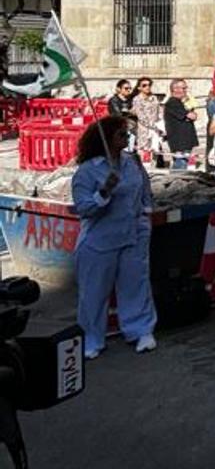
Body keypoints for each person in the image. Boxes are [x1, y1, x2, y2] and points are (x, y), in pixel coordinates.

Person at [71, 116, 157, 358]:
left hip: (132, 234)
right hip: (100, 239)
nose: (127, 138)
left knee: (136, 283)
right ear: (106, 139)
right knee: (94, 292)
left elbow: (145, 190)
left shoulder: (132, 163)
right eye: (121, 134)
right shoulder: (87, 171)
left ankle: (141, 329)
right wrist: (104, 192)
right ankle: (91, 338)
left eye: (127, 134)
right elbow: (84, 208)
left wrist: (145, 217)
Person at [163, 79, 199, 170]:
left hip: (185, 142)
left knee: (183, 165)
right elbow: (191, 116)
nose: (185, 90)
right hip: (180, 143)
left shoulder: (180, 103)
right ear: (175, 89)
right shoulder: (173, 102)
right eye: (184, 88)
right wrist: (190, 115)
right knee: (180, 167)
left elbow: (192, 115)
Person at [130, 77, 160, 162]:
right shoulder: (137, 99)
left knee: (154, 151)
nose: (147, 87)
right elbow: (140, 116)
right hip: (144, 130)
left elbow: (159, 111)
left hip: (155, 130)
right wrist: (152, 125)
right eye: (144, 85)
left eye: (149, 85)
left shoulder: (154, 98)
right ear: (139, 88)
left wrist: (160, 124)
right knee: (143, 153)